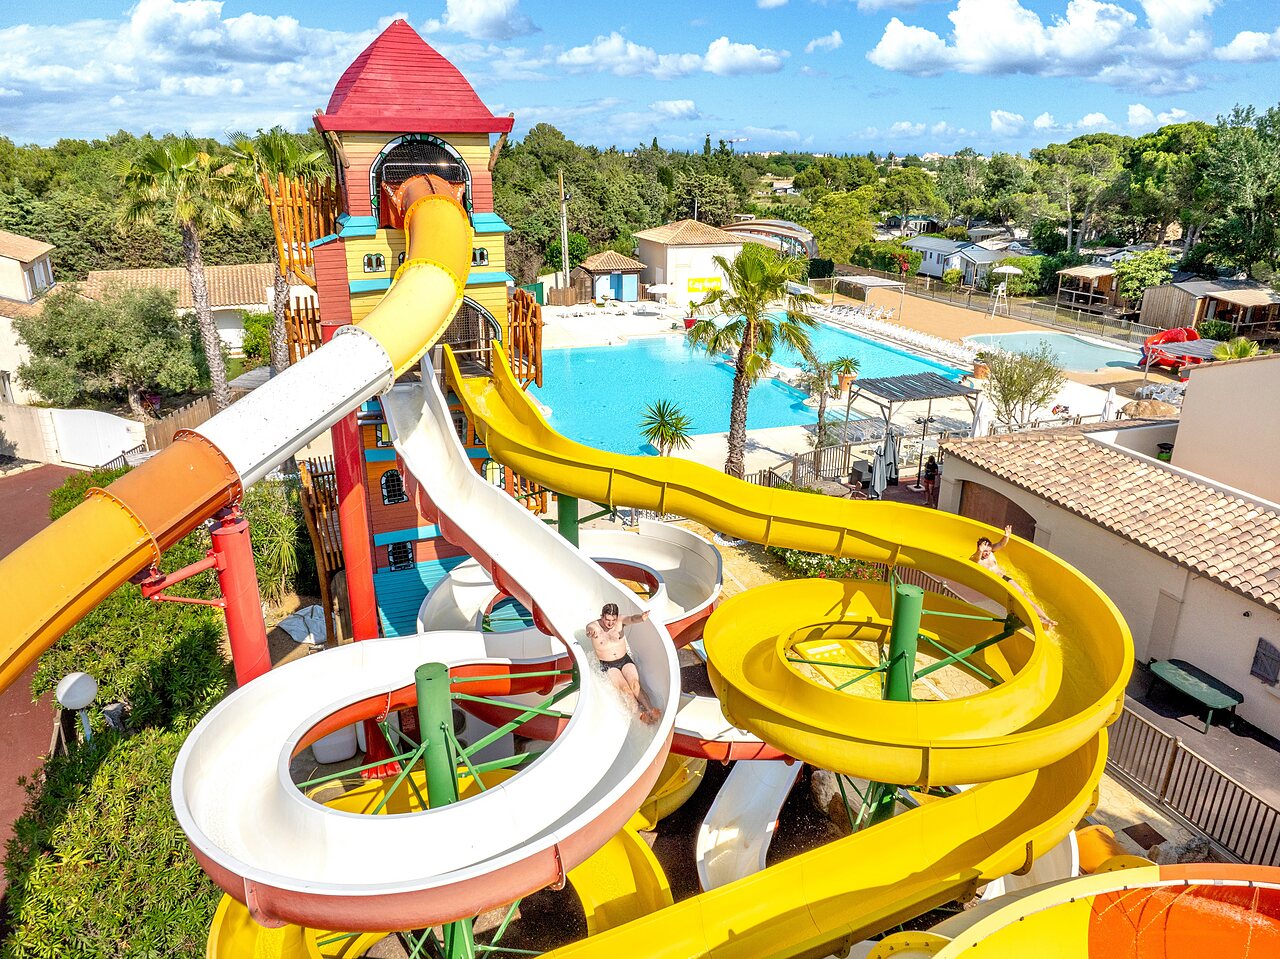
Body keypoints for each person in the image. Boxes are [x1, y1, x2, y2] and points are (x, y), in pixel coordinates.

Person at [586, 603, 660, 723]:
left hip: (624, 660)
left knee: (635, 685)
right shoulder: (594, 627)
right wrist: (590, 633)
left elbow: (631, 619)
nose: (610, 623)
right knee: (625, 689)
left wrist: (641, 618)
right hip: (608, 665)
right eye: (607, 620)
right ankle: (640, 715)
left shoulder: (620, 621)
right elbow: (589, 630)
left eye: (613, 620)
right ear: (602, 616)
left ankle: (650, 709)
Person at [970, 525, 1057, 627]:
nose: (987, 553)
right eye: (985, 552)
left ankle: (1047, 619)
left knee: (1025, 597)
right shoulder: (976, 558)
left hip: (1005, 579)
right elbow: (976, 559)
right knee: (1019, 604)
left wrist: (1007, 536)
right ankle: (1038, 620)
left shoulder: (991, 552)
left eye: (988, 551)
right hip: (998, 585)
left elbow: (1001, 545)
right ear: (979, 549)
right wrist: (980, 551)